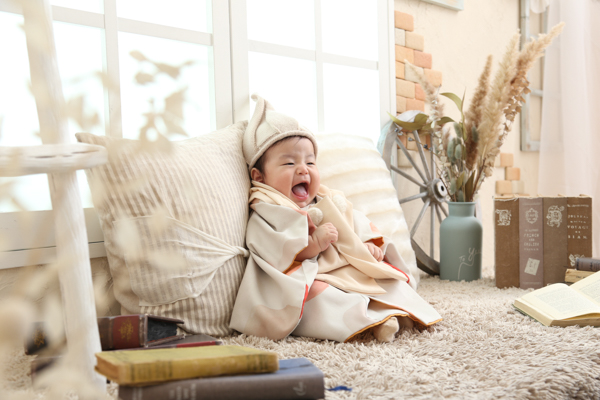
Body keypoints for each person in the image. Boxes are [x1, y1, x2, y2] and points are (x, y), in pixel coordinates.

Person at [230, 94, 441, 343]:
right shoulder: (268, 208)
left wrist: (367, 246)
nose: (303, 169)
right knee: (321, 298)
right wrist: (314, 245)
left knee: (384, 282)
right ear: (260, 176)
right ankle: (370, 325)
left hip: (344, 268)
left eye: (310, 161)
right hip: (309, 276)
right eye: (288, 163)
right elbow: (274, 251)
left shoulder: (327, 199)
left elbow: (354, 224)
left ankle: (397, 313)